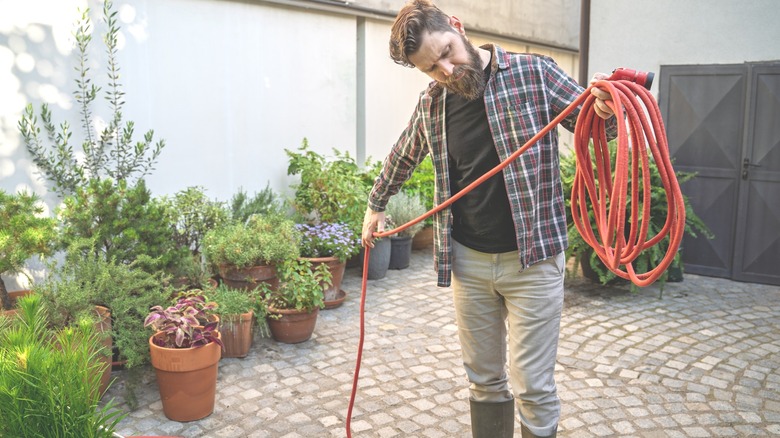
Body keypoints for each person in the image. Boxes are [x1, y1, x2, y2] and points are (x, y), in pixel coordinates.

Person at [361, 1, 616, 437]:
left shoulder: (535, 73)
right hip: (470, 263)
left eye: (446, 52)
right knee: (484, 383)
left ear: (457, 27)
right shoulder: (433, 105)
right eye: (431, 68)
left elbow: (599, 127)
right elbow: (404, 153)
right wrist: (376, 202)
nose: (445, 70)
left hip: (533, 260)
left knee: (533, 386)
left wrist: (608, 109)